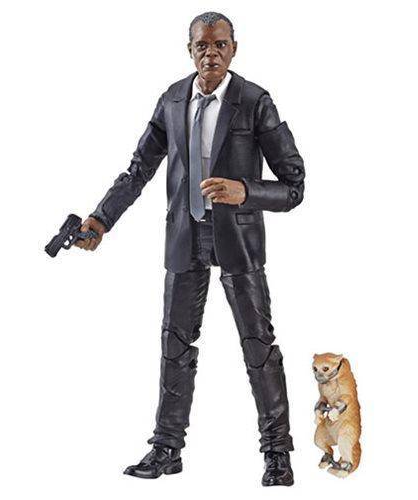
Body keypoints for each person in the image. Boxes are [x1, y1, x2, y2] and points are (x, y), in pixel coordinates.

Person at [76, 11, 305, 486]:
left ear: (234, 48)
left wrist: (246, 191)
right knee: (174, 343)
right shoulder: (173, 99)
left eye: (220, 45)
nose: (211, 54)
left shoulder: (254, 101)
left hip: (238, 239)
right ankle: (166, 447)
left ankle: (278, 452)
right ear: (190, 50)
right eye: (202, 45)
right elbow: (139, 169)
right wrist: (100, 220)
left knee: (258, 345)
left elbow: (294, 185)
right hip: (186, 235)